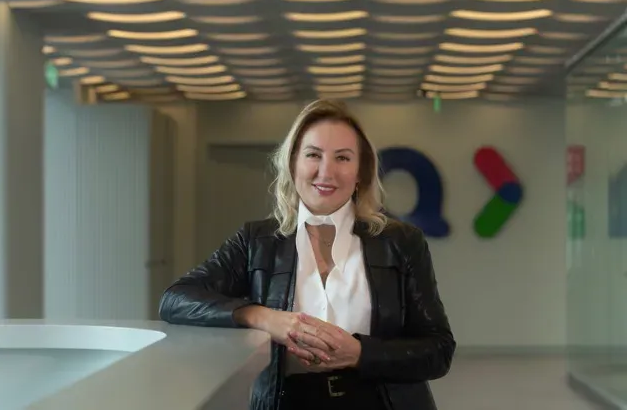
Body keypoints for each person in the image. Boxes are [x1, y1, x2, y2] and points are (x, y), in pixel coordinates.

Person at [159, 99, 456, 410]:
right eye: (313, 155)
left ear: (360, 172)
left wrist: (359, 353)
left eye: (343, 157)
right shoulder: (256, 241)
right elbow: (175, 299)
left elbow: (439, 350)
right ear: (292, 164)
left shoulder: (402, 242)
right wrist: (263, 318)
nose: (326, 171)